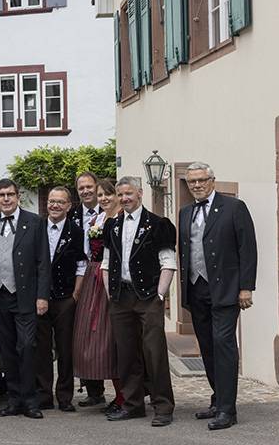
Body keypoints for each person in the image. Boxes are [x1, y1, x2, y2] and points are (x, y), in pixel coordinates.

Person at [177, 162, 257, 431]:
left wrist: (246, 287)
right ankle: (217, 398)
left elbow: (248, 249)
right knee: (207, 348)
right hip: (196, 288)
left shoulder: (234, 208)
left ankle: (227, 410)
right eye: (192, 182)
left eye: (201, 180)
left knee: (224, 346)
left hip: (226, 290)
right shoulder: (185, 212)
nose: (197, 185)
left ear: (212, 180)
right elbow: (185, 251)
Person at [102, 177, 177, 427]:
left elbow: (168, 262)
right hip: (120, 297)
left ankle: (163, 406)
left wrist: (159, 294)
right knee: (126, 353)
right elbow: (105, 263)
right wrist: (110, 294)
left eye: (129, 194)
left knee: (153, 352)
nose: (124, 199)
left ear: (140, 193)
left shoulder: (158, 224)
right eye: (121, 195)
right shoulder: (112, 225)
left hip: (148, 297)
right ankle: (133, 405)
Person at [0, 178, 50, 419]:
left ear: (18, 196)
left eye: (10, 194)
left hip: (26, 297)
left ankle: (31, 400)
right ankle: (13, 399)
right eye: (1, 195)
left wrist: (42, 296)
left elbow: (43, 261)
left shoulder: (35, 222)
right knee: (7, 350)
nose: (6, 199)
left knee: (27, 346)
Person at [73, 178, 126, 415]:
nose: (104, 199)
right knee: (93, 340)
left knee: (114, 340)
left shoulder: (124, 219)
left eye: (108, 194)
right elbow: (86, 254)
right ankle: (98, 391)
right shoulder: (96, 220)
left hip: (112, 278)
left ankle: (124, 395)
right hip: (93, 278)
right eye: (101, 195)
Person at [35, 186, 87, 412]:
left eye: (60, 202)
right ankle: (43, 396)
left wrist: (75, 295)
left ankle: (65, 397)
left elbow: (81, 264)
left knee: (66, 349)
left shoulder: (77, 231)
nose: (54, 205)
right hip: (40, 297)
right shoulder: (36, 227)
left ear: (68, 206)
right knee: (42, 349)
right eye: (51, 201)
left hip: (65, 297)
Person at [69, 171, 106, 407]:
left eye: (89, 187)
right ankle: (94, 391)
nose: (86, 191)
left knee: (103, 334)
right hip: (78, 279)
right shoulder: (71, 215)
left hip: (103, 276)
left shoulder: (109, 211)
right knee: (84, 336)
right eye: (81, 188)